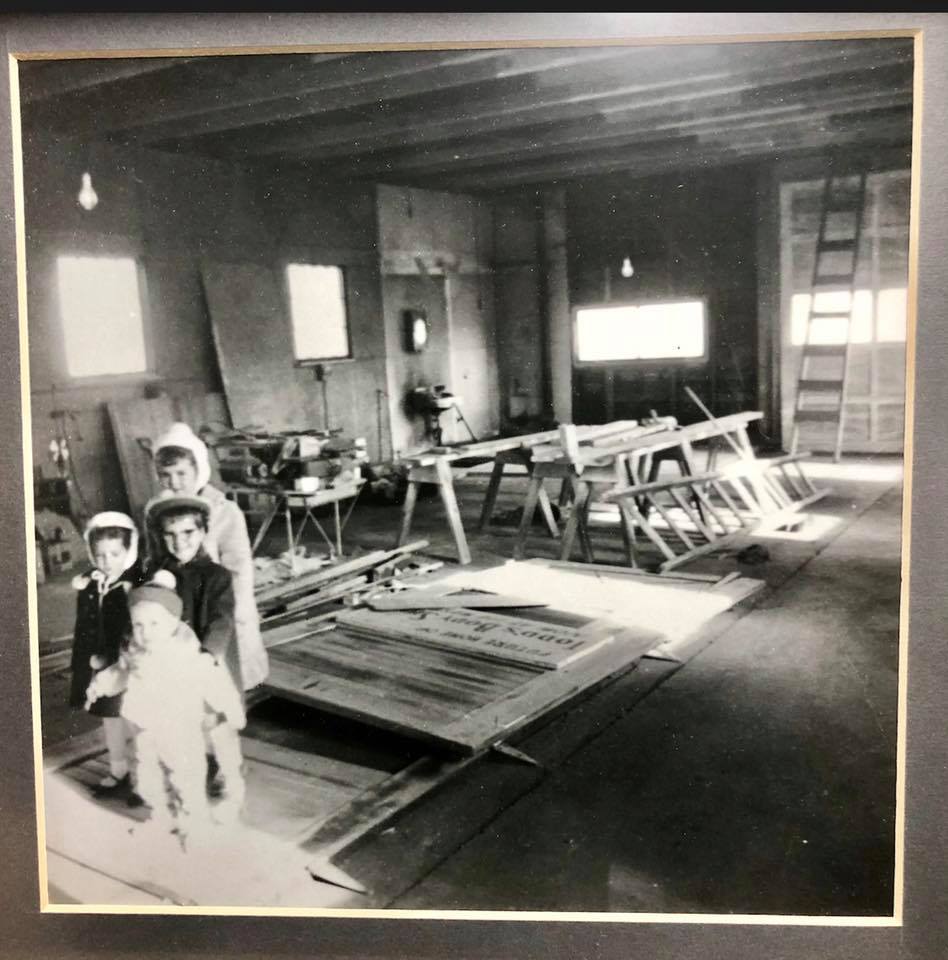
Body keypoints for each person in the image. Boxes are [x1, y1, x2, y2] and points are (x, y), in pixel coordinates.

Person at [86, 570, 246, 846]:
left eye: (154, 623)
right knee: (147, 776)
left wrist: (231, 708)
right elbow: (118, 673)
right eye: (138, 625)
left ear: (173, 623)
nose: (145, 631)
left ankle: (195, 822)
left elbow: (214, 680)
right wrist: (99, 685)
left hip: (180, 729)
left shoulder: (187, 655)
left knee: (187, 777)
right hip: (146, 728)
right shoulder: (134, 652)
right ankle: (159, 816)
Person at [144, 492, 245, 817]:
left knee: (214, 721)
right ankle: (197, 769)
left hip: (206, 663)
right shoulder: (157, 571)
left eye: (188, 532)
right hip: (172, 663)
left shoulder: (216, 575)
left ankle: (230, 777)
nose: (179, 541)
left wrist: (208, 655)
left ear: (202, 532)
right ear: (161, 537)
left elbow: (222, 618)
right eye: (170, 534)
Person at [152, 422, 268, 692]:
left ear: (199, 469)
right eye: (165, 475)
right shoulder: (160, 512)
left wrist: (230, 614)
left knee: (226, 680)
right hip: (183, 609)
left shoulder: (225, 512)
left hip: (220, 608)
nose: (175, 483)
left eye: (181, 473)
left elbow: (239, 572)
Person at [69, 511, 145, 795]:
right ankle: (118, 771)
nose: (106, 561)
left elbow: (138, 628)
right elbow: (84, 626)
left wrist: (126, 660)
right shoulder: (90, 585)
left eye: (114, 554)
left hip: (128, 664)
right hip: (100, 666)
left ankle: (143, 776)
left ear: (129, 551)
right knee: (110, 720)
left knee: (136, 721)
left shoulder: (132, 587)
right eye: (100, 555)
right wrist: (83, 662)